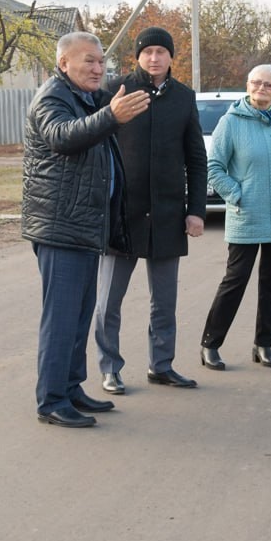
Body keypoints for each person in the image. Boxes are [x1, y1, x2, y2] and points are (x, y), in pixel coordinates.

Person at [21, 31, 151, 427]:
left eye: (101, 62)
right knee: (61, 318)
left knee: (79, 316)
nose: (98, 68)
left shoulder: (87, 98)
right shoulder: (52, 98)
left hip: (85, 225)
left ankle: (71, 387)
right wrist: (112, 115)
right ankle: (52, 400)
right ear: (64, 64)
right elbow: (62, 138)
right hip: (60, 226)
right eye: (88, 61)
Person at [93, 26, 207, 394]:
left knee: (165, 300)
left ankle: (162, 365)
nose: (154, 58)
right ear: (137, 56)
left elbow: (196, 158)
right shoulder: (115, 91)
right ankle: (110, 367)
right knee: (110, 299)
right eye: (148, 51)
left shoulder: (184, 98)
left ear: (172, 57)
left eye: (161, 51)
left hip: (167, 214)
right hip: (121, 213)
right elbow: (94, 143)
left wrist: (196, 210)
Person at [200, 64, 271, 371]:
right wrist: (237, 194)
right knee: (235, 281)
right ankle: (210, 344)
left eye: (269, 85)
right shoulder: (230, 122)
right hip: (246, 215)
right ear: (247, 85)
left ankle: (264, 344)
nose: (262, 88)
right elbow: (213, 167)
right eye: (256, 83)